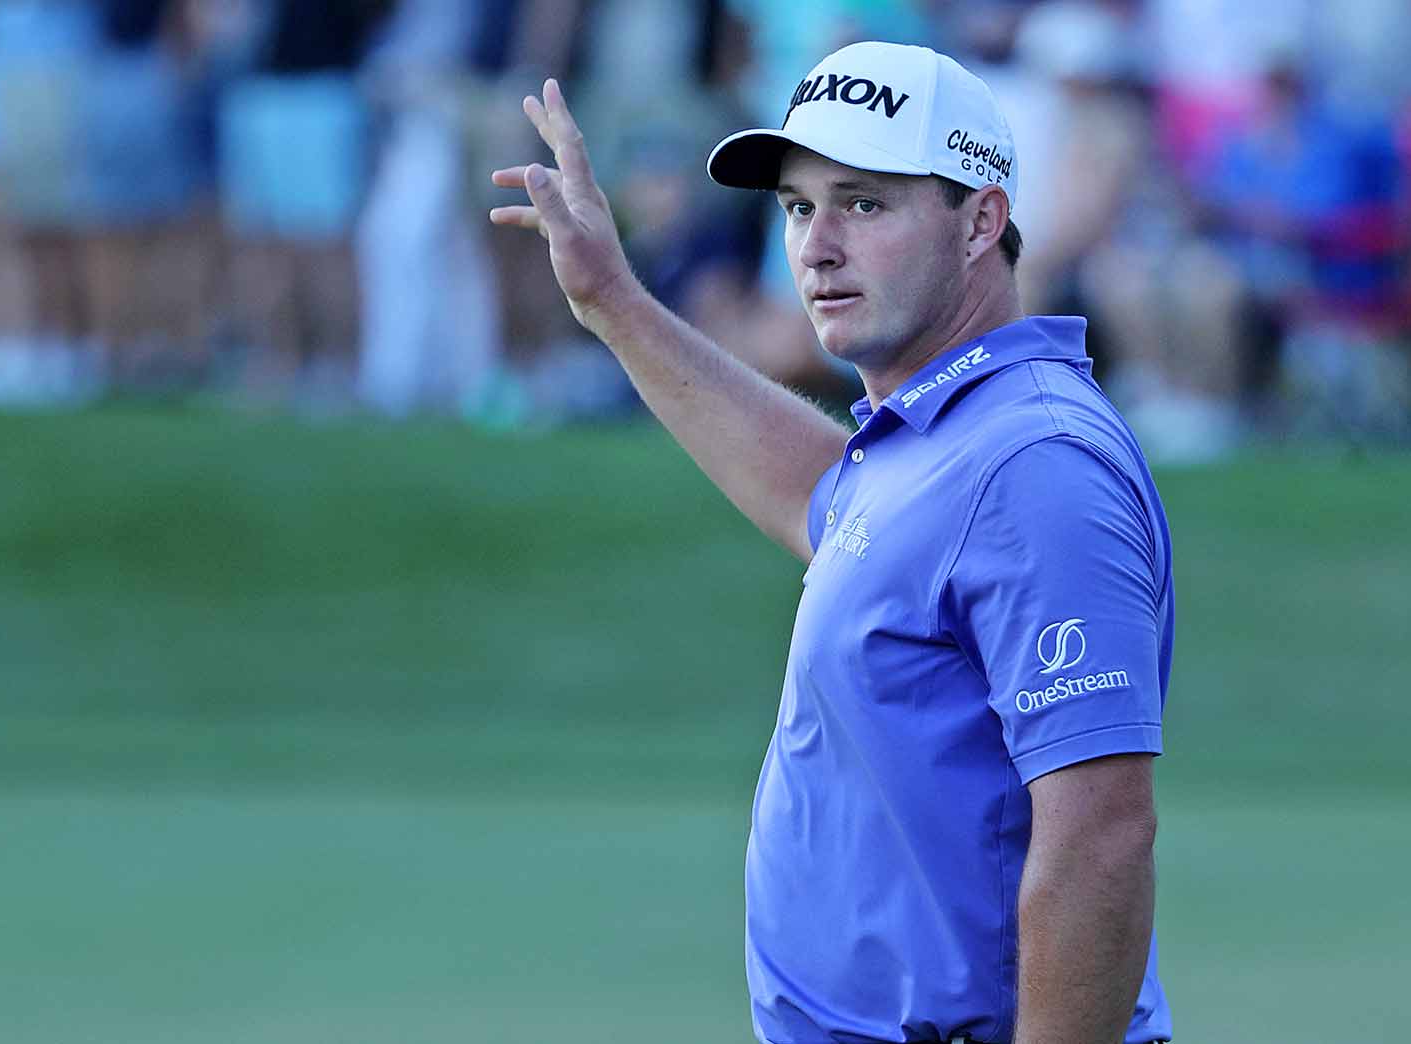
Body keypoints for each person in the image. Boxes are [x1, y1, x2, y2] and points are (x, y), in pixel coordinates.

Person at [490, 41, 1175, 1044]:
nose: (814, 248)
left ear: (981, 219)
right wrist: (616, 306)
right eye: (799, 208)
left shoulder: (1032, 465)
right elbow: (827, 502)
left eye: (864, 204)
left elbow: (1103, 837)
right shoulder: (935, 441)